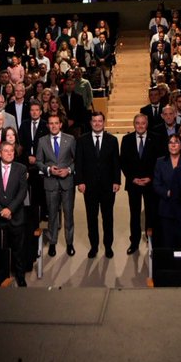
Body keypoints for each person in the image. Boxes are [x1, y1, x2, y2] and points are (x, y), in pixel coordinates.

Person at [75, 111, 121, 258]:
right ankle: (94, 246)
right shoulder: (82, 140)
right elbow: (79, 163)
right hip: (89, 186)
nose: (97, 123)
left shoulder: (112, 140)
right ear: (90, 123)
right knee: (91, 218)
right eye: (94, 121)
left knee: (108, 218)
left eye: (100, 121)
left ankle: (108, 246)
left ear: (104, 122)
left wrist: (117, 181)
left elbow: (116, 163)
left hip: (108, 186)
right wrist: (80, 181)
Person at [0, 140, 29, 286]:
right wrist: (0, 210)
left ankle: (20, 276)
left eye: (12, 151)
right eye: (6, 151)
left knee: (18, 250)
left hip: (16, 216)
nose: (9, 153)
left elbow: (22, 192)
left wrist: (10, 209)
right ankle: (1, 277)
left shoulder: (21, 168)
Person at [36, 113, 77, 256]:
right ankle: (52, 242)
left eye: (56, 123)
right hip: (50, 183)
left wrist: (68, 170)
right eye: (51, 123)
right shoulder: (42, 141)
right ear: (48, 125)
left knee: (68, 214)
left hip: (67, 183)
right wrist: (48, 169)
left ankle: (69, 243)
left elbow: (77, 161)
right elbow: (38, 161)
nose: (53, 126)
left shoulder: (70, 139)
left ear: (61, 124)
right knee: (52, 215)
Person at [120, 113, 160, 254]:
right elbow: (123, 162)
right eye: (138, 123)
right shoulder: (127, 139)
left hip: (150, 183)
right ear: (134, 124)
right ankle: (134, 242)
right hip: (134, 183)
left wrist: (150, 177)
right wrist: (132, 178)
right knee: (134, 214)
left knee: (151, 212)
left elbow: (158, 162)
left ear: (147, 124)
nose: (140, 125)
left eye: (143, 123)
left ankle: (151, 241)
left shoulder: (155, 138)